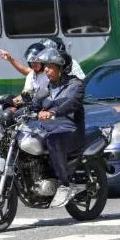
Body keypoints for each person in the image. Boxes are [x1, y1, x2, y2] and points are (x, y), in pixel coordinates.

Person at [29, 48, 85, 208]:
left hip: (70, 130)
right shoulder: (45, 89)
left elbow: (72, 103)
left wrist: (53, 111)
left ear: (62, 68)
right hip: (48, 129)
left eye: (51, 66)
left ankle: (64, 184)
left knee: (54, 139)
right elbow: (33, 106)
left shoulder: (75, 85)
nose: (46, 69)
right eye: (45, 66)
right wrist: (11, 110)